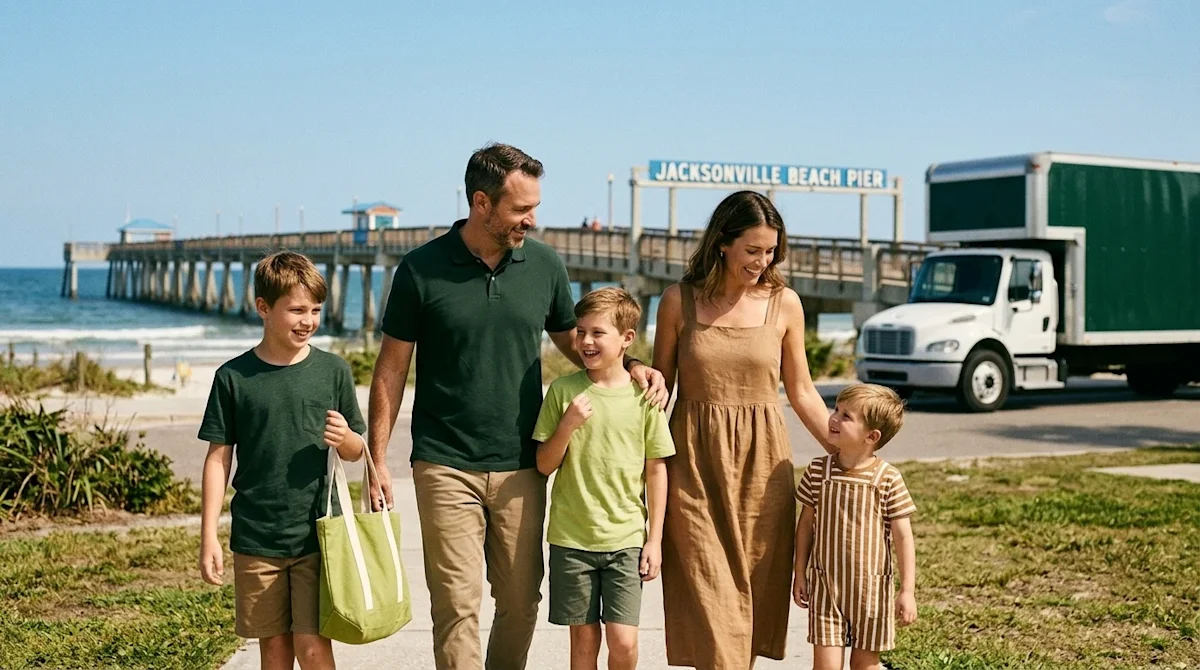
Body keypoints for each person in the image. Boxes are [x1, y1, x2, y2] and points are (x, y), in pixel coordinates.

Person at [368, 142, 667, 670]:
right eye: (520, 208)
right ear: (481, 203)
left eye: (534, 207)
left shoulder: (544, 263)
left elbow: (578, 343)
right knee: (457, 606)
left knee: (522, 601)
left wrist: (633, 364)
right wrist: (377, 459)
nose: (532, 219)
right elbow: (391, 369)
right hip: (443, 460)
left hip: (522, 463)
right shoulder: (420, 270)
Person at [651, 190, 837, 669]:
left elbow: (802, 393)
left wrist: (847, 451)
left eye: (771, 251)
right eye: (752, 250)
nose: (763, 260)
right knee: (712, 604)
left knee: (748, 610)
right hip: (693, 468)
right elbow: (657, 391)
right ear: (722, 243)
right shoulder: (678, 301)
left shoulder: (785, 304)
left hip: (763, 471)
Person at [197, 251, 367, 670]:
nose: (307, 320)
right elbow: (218, 460)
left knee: (313, 647)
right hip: (257, 536)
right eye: (295, 310)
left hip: (318, 534)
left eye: (314, 310)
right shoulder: (233, 378)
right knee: (273, 650)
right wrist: (209, 536)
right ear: (263, 308)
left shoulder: (333, 371)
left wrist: (346, 439)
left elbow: (358, 450)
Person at [533, 287, 675, 670]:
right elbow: (544, 464)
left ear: (627, 339)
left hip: (626, 540)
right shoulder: (563, 392)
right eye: (580, 332)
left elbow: (657, 469)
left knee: (624, 642)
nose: (586, 341)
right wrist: (567, 426)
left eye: (598, 332)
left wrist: (655, 540)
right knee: (583, 643)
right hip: (571, 539)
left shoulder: (645, 397)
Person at [793, 384, 918, 670]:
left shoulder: (887, 479)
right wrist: (799, 572)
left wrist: (907, 591)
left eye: (846, 416)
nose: (833, 418)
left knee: (865, 666)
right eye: (835, 409)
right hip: (826, 588)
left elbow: (903, 538)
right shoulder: (817, 471)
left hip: (871, 592)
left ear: (871, 437)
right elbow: (805, 527)